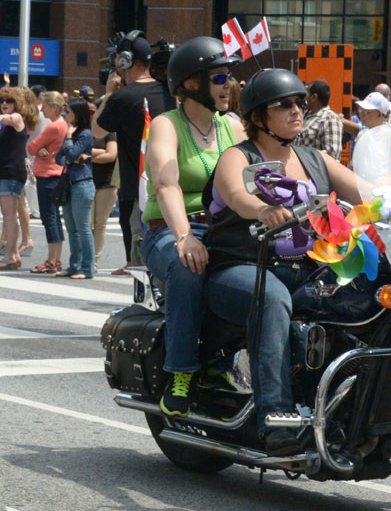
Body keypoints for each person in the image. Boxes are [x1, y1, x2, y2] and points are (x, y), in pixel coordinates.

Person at [203, 69, 363, 455]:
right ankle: (275, 415)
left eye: (300, 103)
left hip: (306, 268)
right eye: (285, 104)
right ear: (258, 116)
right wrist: (262, 209)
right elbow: (237, 195)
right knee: (273, 299)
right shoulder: (238, 156)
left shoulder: (314, 159)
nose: (297, 111)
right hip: (241, 269)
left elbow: (368, 194)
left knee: (368, 296)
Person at [140, 37, 244, 414]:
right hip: (167, 230)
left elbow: (260, 176)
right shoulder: (167, 125)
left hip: (221, 230)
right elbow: (167, 183)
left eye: (229, 76)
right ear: (190, 84)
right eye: (218, 76)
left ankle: (223, 359)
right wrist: (184, 237)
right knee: (186, 267)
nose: (227, 84)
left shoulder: (232, 126)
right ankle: (180, 373)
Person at [92, 31, 176, 274]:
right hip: (172, 180)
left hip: (139, 187)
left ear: (124, 60)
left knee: (144, 253)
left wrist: (109, 94)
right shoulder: (171, 93)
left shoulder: (122, 97)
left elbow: (97, 130)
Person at [0, 86, 39, 270]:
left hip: (11, 172)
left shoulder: (17, 118)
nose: (4, 104)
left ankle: (10, 256)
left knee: (9, 216)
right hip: (5, 171)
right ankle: (14, 254)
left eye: (9, 101)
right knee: (9, 215)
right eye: (1, 101)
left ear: (17, 104)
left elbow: (11, 118)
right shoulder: (5, 124)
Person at [28, 92, 70, 273]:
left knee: (49, 218)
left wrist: (40, 149)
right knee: (54, 218)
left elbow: (31, 146)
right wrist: (42, 149)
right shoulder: (64, 125)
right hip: (57, 172)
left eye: (44, 106)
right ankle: (56, 259)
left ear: (54, 107)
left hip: (47, 173)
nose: (42, 109)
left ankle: (52, 261)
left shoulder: (54, 127)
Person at [56, 99, 98, 279]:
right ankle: (74, 265)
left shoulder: (85, 134)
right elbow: (59, 158)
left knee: (82, 227)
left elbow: (72, 154)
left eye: (69, 112)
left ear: (77, 114)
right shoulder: (73, 134)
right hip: (70, 183)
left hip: (82, 183)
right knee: (71, 227)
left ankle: (87, 268)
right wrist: (70, 157)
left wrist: (68, 140)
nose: (66, 115)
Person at [292, 79, 343, 160]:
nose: (302, 98)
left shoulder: (330, 119)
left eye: (305, 94)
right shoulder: (305, 115)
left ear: (314, 97)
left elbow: (332, 154)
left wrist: (304, 158)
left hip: (314, 171)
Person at [90, 131, 119, 271]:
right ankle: (86, 258)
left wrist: (87, 156)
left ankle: (94, 261)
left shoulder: (110, 132)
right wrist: (100, 153)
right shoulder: (83, 129)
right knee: (87, 225)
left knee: (100, 224)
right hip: (86, 181)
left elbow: (111, 155)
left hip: (107, 183)